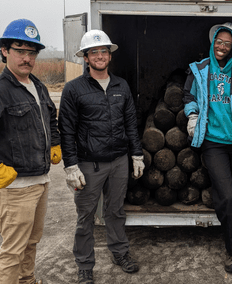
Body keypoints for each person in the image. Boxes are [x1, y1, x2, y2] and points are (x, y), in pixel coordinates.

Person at [0, 19, 61, 284]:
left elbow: (50, 118)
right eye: (20, 50)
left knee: (32, 242)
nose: (27, 58)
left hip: (40, 180)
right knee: (12, 250)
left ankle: (27, 281)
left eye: (31, 52)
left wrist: (54, 143)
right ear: (4, 51)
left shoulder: (37, 85)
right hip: (14, 188)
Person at [58, 29, 145, 283]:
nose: (99, 56)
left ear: (110, 55)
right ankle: (85, 264)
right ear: (85, 57)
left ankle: (119, 252)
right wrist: (71, 166)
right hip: (89, 164)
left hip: (119, 160)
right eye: (93, 52)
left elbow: (131, 122)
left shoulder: (121, 85)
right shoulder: (74, 89)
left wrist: (136, 154)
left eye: (103, 51)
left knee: (116, 210)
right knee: (85, 216)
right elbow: (66, 130)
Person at [183, 22, 232, 273]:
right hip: (213, 144)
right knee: (226, 197)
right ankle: (231, 250)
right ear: (213, 43)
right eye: (219, 42)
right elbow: (189, 96)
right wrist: (192, 115)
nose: (222, 47)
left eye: (227, 44)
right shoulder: (199, 70)